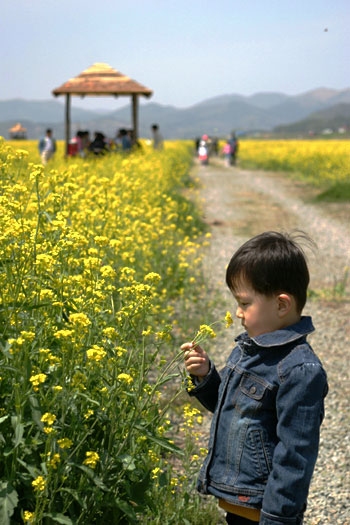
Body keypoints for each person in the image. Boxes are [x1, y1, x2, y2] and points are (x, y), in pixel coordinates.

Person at [182, 231, 328, 525]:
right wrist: (206, 376)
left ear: (281, 305)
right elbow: (232, 407)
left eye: (245, 303)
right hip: (238, 503)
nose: (238, 313)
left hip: (263, 512)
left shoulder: (300, 370)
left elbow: (296, 457)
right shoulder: (250, 349)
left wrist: (277, 518)